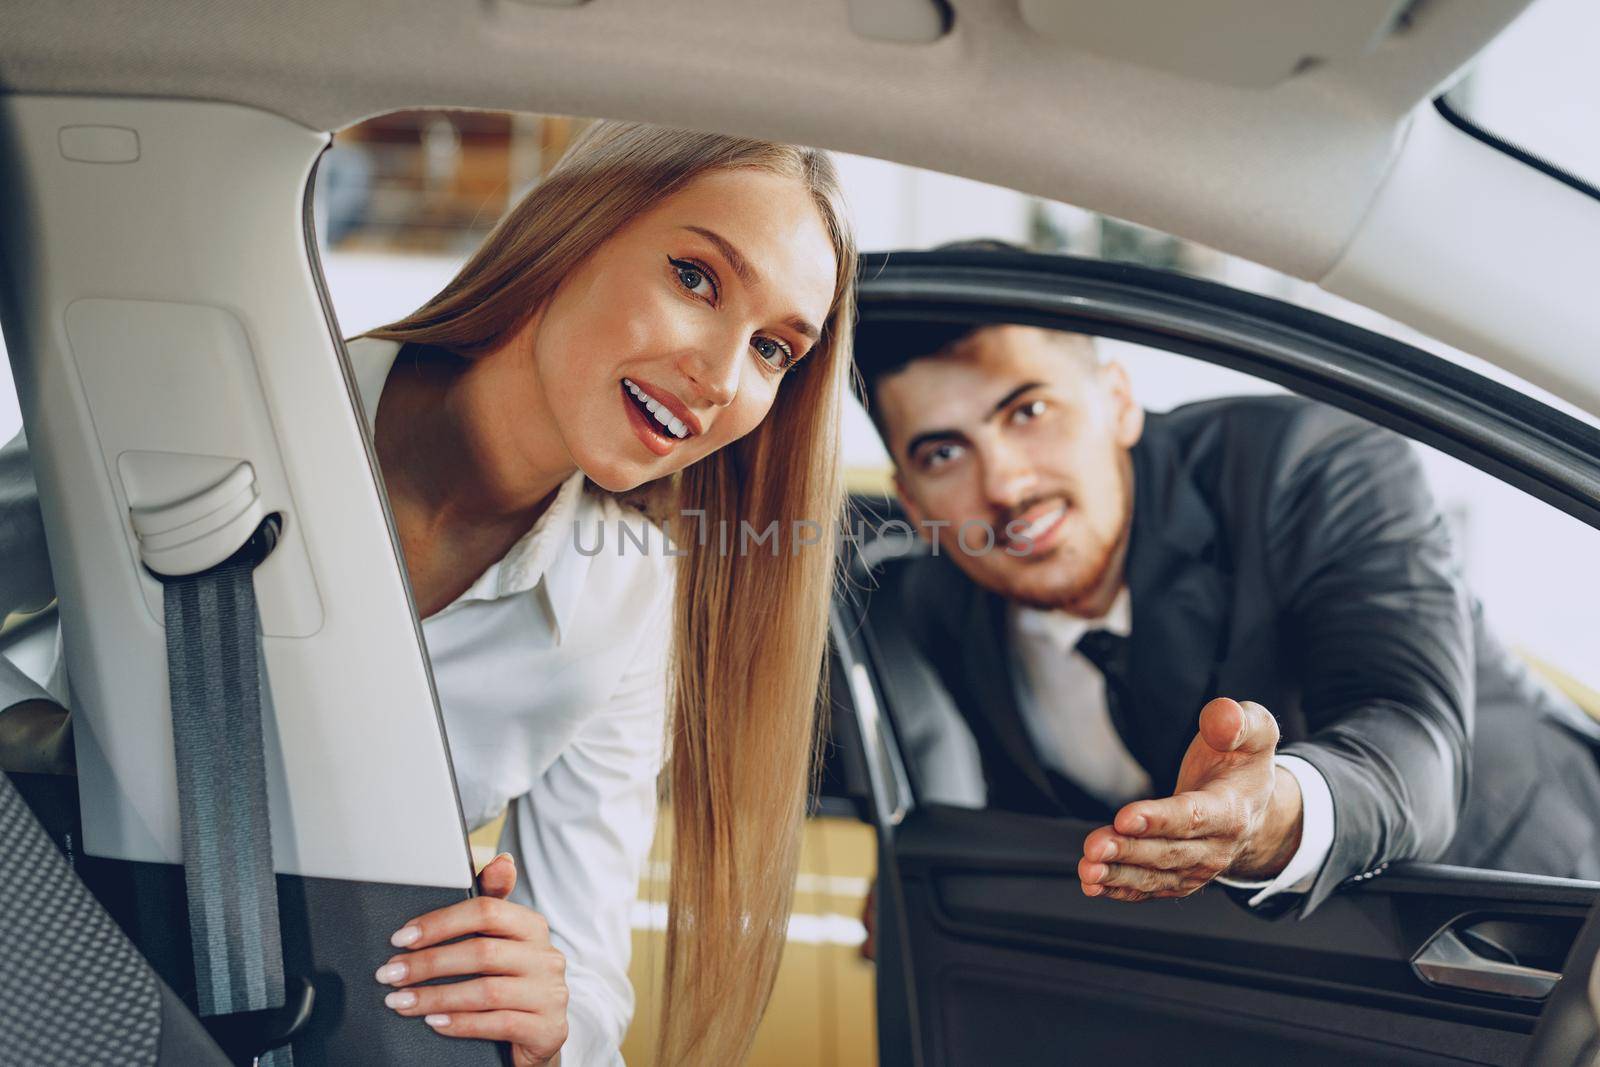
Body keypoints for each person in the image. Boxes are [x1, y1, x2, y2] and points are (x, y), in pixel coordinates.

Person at [857, 311, 1600, 917]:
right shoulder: (941, 604)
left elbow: (1411, 738)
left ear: (1118, 401)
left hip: (1535, 896)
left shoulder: (1309, 463)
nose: (1006, 484)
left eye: (1029, 410)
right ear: (915, 501)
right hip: (1283, 970)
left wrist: (1269, 815)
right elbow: (1044, 823)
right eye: (944, 453)